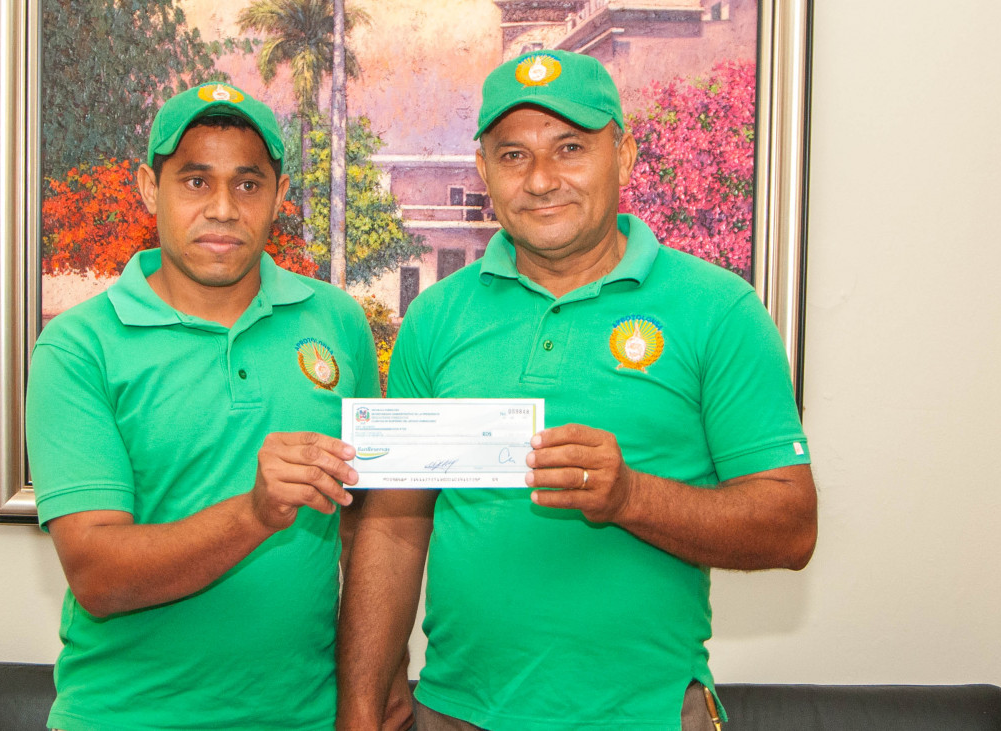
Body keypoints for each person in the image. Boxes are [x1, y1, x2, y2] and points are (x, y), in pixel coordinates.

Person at [336, 50, 818, 731]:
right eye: (513, 155)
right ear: (484, 172)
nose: (541, 180)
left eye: (570, 148)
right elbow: (393, 526)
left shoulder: (719, 309)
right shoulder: (435, 317)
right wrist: (360, 705)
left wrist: (630, 496)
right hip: (456, 712)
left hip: (646, 715)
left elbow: (792, 528)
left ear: (623, 156)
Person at [25, 82, 379, 730]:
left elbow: (364, 529)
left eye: (247, 184)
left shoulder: (336, 320)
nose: (222, 208)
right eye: (195, 181)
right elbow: (98, 576)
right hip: (124, 718)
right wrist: (254, 512)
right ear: (148, 188)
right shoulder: (78, 346)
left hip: (302, 717)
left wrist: (368, 689)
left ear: (279, 195)